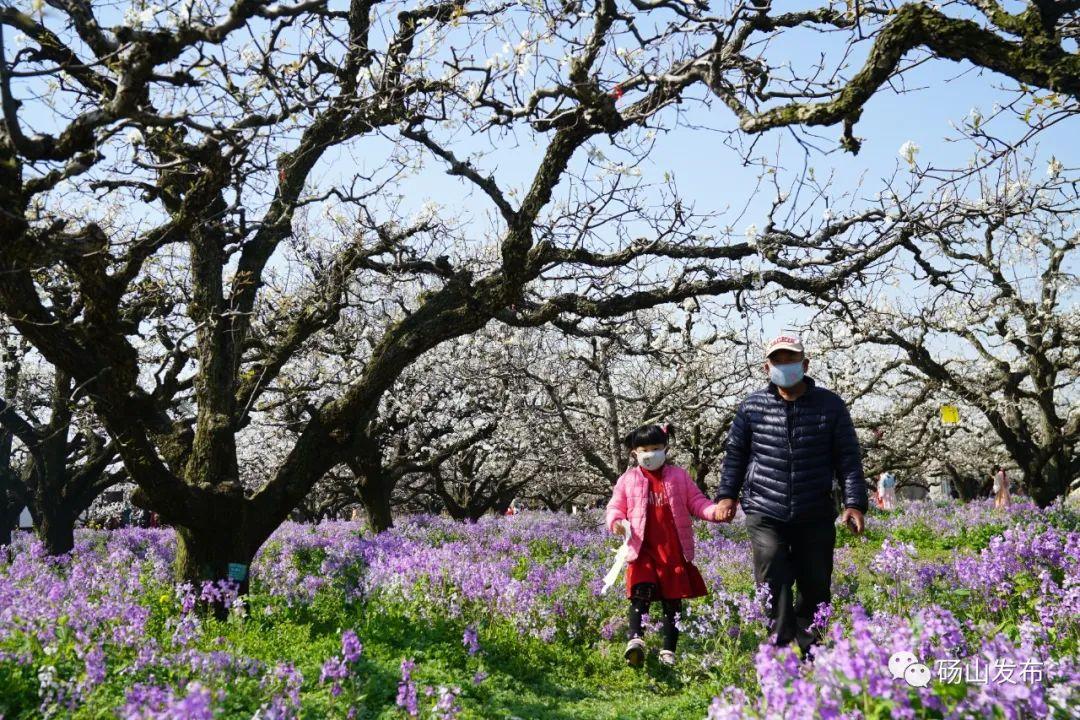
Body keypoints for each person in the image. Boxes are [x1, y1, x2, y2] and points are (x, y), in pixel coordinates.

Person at [714, 334, 867, 659]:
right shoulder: (752, 407)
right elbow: (735, 454)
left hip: (815, 509)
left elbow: (848, 458)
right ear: (766, 367)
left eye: (791, 359)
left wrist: (854, 502)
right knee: (773, 571)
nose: (785, 366)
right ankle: (781, 647)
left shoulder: (831, 405)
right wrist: (727, 495)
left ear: (805, 364)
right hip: (765, 508)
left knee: (815, 583)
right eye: (778, 361)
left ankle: (811, 647)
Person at [605, 422, 728, 668]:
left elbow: (696, 502)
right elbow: (615, 506)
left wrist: (716, 512)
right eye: (644, 449)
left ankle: (668, 651)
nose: (651, 454)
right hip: (641, 551)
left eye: (656, 447)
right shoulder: (628, 479)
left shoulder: (679, 476)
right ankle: (636, 640)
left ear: (665, 448)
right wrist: (616, 521)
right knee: (640, 595)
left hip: (673, 551)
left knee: (673, 602)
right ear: (634, 453)